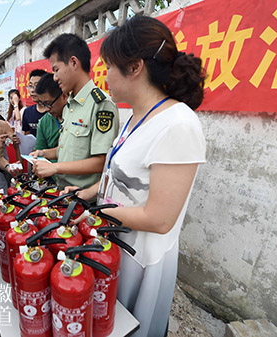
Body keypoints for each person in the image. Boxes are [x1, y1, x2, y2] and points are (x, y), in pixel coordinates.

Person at [65, 16, 206, 337]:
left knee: (133, 324)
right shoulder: (134, 117)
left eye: (109, 67)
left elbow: (159, 219)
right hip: (115, 240)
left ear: (135, 67)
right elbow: (121, 176)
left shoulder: (178, 125)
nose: (105, 77)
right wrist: (88, 194)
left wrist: (94, 213)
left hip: (141, 256)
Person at [31, 33, 119, 193]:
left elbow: (101, 161)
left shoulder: (100, 103)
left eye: (56, 70)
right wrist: (44, 153)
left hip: (85, 200)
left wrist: (55, 167)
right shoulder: (71, 103)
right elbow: (69, 151)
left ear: (73, 62)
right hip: (64, 193)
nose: (55, 78)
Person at [33, 72, 68, 155]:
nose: (46, 109)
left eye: (48, 103)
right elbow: (40, 150)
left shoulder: (77, 115)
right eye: (43, 104)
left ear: (64, 96)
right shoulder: (44, 122)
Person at [21, 69, 48, 137]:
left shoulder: (54, 112)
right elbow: (27, 138)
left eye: (36, 85)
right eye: (30, 86)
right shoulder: (27, 112)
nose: (32, 90)